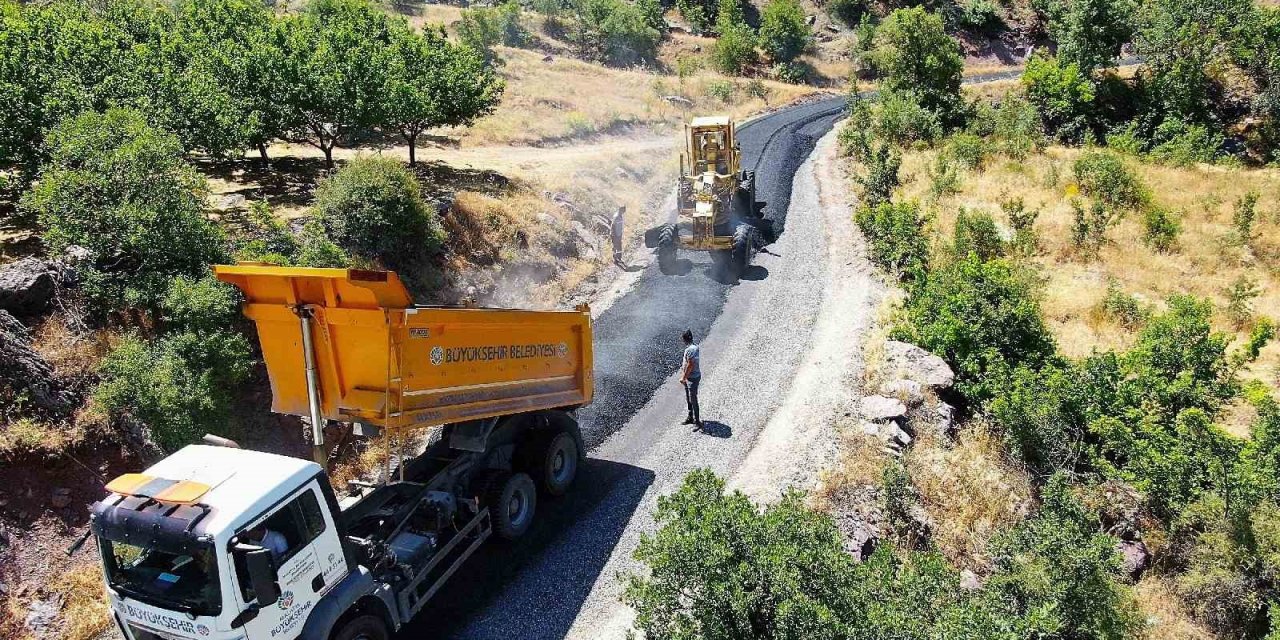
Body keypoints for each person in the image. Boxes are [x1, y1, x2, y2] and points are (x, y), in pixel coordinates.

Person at [680, 329, 702, 430]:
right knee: (689, 398)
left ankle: (697, 422)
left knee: (693, 399)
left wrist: (684, 377)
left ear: (685, 339)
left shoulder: (690, 350)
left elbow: (690, 365)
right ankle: (690, 417)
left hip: (692, 378)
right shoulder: (694, 347)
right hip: (690, 377)